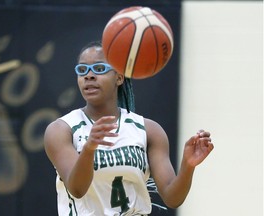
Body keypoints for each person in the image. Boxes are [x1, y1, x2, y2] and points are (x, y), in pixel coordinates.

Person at [44, 41, 214, 216]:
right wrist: (89, 149)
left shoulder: (149, 130)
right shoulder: (61, 129)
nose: (89, 76)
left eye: (99, 68)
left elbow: (172, 198)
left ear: (119, 77)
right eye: (82, 70)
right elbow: (77, 189)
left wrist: (188, 165)